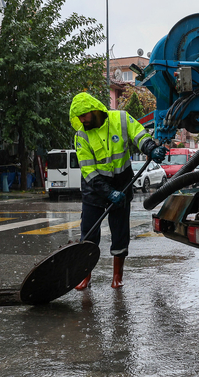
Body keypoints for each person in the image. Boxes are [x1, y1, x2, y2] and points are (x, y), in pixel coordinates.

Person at [69, 92, 167, 289]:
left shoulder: (121, 118)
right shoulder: (81, 135)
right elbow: (88, 170)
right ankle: (85, 276)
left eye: (84, 116)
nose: (82, 121)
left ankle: (117, 276)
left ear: (94, 110)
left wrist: (150, 148)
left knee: (120, 232)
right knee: (88, 234)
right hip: (95, 188)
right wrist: (107, 192)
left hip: (122, 182)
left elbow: (139, 134)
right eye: (78, 118)